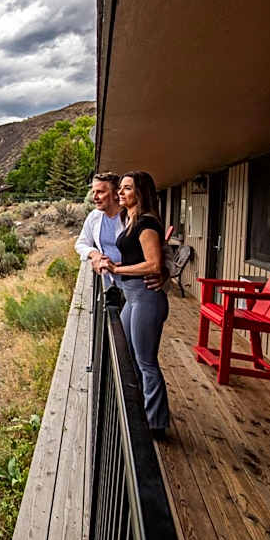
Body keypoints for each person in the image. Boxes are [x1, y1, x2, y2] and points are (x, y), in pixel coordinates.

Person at [99, 171, 170, 437]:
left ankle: (156, 424)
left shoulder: (147, 224)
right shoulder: (131, 220)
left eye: (127, 188)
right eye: (121, 188)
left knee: (146, 362)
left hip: (146, 299)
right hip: (133, 297)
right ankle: (140, 410)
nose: (121, 192)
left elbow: (154, 263)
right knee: (129, 355)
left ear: (140, 192)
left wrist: (119, 270)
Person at [75, 172, 163, 291]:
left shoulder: (135, 217)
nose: (94, 197)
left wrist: (165, 272)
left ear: (116, 193)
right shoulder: (94, 217)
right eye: (93, 192)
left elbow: (162, 252)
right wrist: (95, 254)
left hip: (139, 285)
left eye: (100, 192)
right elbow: (81, 244)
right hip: (110, 283)